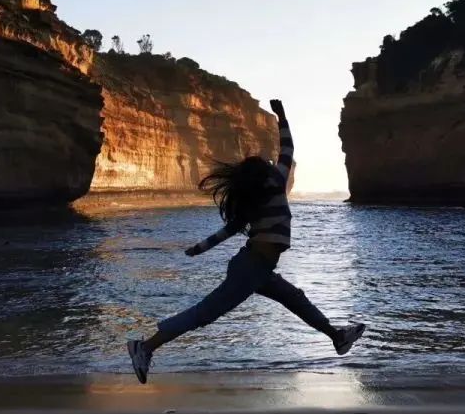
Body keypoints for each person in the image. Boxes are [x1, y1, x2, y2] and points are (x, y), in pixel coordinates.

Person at [127, 99, 366, 383]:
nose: (271, 164)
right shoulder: (273, 183)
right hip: (251, 268)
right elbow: (287, 150)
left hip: (258, 269)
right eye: (266, 164)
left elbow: (227, 232)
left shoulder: (256, 200)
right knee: (204, 313)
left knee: (296, 300)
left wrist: (199, 249)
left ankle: (337, 336)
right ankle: (145, 347)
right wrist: (282, 116)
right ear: (262, 173)